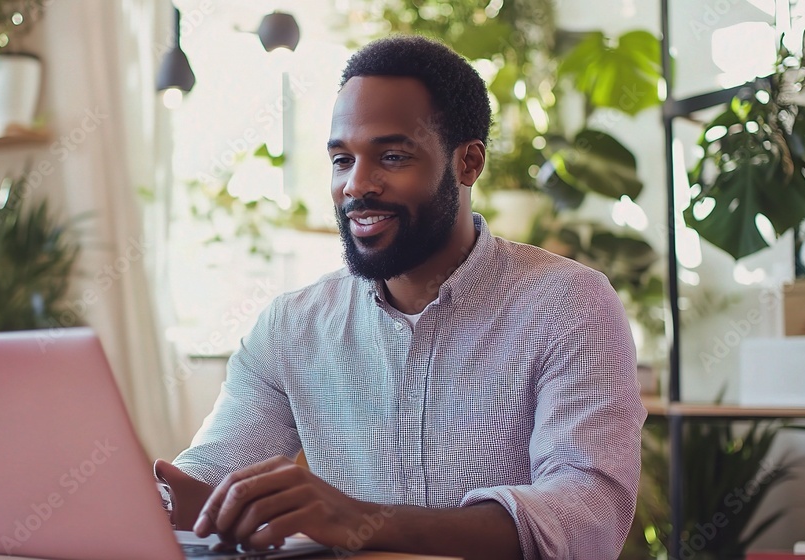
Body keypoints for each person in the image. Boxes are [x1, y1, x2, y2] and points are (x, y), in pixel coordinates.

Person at [155, 35, 646, 560]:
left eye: (391, 156)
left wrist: (362, 520)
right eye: (342, 160)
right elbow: (212, 476)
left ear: (469, 164)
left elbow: (587, 514)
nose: (357, 185)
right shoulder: (292, 326)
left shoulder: (568, 305)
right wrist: (151, 498)